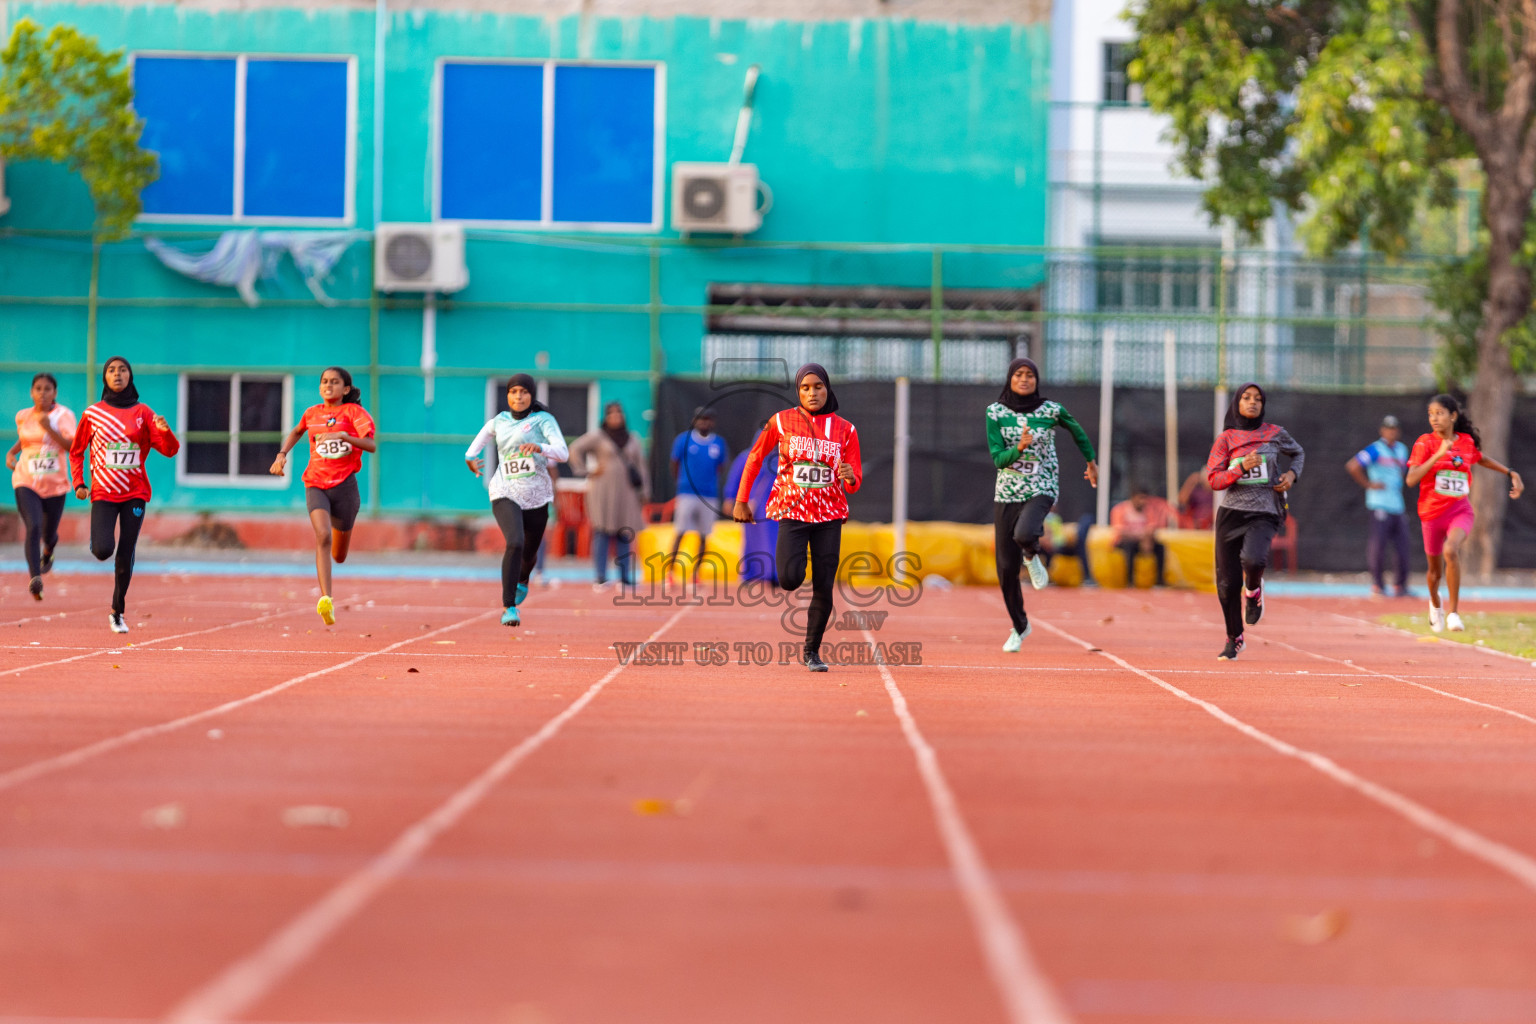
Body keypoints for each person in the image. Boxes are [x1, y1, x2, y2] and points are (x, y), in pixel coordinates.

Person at [733, 363, 862, 672]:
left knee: (824, 585)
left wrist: (850, 476)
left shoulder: (846, 429)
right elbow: (754, 456)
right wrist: (741, 500)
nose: (812, 392)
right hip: (792, 511)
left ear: (827, 389)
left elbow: (854, 480)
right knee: (790, 579)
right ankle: (796, 566)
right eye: (805, 388)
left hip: (829, 515)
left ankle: (812, 652)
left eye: (818, 386)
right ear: (798, 392)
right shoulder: (781, 422)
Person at [985, 357, 1098, 651]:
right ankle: (1019, 626)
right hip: (1007, 491)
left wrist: (1091, 461)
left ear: (1037, 380)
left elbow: (1077, 431)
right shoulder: (995, 413)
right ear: (1010, 379)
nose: (1024, 379)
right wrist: (1018, 449)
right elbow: (998, 459)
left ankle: (1032, 554)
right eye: (1019, 375)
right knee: (1005, 569)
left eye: (1030, 375)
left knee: (1025, 534)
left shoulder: (1051, 410)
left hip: (1042, 485)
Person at [69, 357, 180, 633]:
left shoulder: (143, 412)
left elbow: (170, 450)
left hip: (135, 493)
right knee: (103, 550)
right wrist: (79, 483)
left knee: (125, 553)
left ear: (130, 376)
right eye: (111, 370)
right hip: (104, 493)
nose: (117, 374)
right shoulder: (92, 414)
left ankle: (117, 610)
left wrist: (166, 433)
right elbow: (76, 450)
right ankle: (99, 543)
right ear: (105, 378)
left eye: (122, 370)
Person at [1404, 394, 1523, 633]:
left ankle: (1454, 613)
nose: (1434, 418)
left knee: (1451, 549)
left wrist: (1511, 472)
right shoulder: (1424, 443)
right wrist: (1438, 455)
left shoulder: (1466, 442)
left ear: (1453, 416)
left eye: (1439, 413)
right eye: (1430, 414)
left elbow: (1481, 459)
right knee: (1434, 573)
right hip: (1430, 514)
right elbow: (1411, 479)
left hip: (1459, 510)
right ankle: (1435, 603)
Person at [270, 367, 376, 626]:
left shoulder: (355, 413)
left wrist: (344, 436)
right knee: (322, 536)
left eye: (335, 382)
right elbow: (297, 431)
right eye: (324, 382)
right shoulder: (312, 413)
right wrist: (281, 455)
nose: (328, 386)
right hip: (316, 483)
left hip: (345, 487)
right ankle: (326, 599)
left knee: (339, 555)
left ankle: (334, 568)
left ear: (346, 389)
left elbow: (371, 445)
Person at [1205, 383, 1304, 660]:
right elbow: (1214, 479)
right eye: (1246, 398)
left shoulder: (1274, 433)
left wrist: (1292, 476)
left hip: (1265, 510)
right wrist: (1239, 468)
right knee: (1226, 583)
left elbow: (1298, 453)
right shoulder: (1226, 439)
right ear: (1237, 403)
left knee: (1253, 560)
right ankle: (1234, 638)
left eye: (1258, 399)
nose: (1252, 403)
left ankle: (1254, 590)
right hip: (1231, 513)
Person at [464, 374, 568, 626]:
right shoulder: (498, 421)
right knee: (515, 542)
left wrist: (540, 447)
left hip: (537, 495)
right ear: (507, 395)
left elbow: (563, 453)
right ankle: (508, 607)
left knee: (529, 553)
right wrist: (470, 461)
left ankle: (522, 579)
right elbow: (472, 450)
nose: (518, 397)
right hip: (505, 491)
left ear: (531, 396)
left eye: (523, 392)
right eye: (513, 392)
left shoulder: (543, 421)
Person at [8, 373, 77, 600]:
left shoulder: (64, 416)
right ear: (31, 392)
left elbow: (71, 447)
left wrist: (50, 429)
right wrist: (11, 453)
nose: (42, 393)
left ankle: (48, 551)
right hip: (26, 480)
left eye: (47, 389)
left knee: (49, 534)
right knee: (33, 525)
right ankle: (35, 578)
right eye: (38, 388)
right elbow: (25, 439)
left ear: (55, 393)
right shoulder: (23, 416)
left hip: (55, 485)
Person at [570, 401, 647, 588]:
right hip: (602, 491)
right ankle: (600, 576)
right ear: (606, 417)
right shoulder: (598, 437)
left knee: (625, 533)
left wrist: (645, 491)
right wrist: (586, 470)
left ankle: (625, 577)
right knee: (602, 532)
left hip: (627, 492)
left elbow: (641, 465)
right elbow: (575, 449)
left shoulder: (632, 438)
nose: (615, 418)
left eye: (618, 414)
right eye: (611, 414)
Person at [1347, 414, 1412, 597]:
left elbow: (1403, 473)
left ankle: (1400, 586)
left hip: (1397, 504)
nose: (1391, 432)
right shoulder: (1375, 449)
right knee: (1379, 545)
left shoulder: (1402, 450)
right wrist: (1368, 484)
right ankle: (1378, 585)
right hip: (1379, 504)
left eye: (1394, 428)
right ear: (1382, 430)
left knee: (1403, 544)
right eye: (1388, 428)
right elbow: (1353, 465)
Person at [667, 408, 731, 582]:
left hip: (709, 495)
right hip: (687, 493)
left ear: (713, 422)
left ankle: (696, 573)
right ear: (694, 421)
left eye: (708, 419)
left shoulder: (719, 443)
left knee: (704, 535)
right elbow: (674, 464)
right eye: (701, 419)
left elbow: (721, 467)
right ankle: (671, 573)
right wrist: (682, 483)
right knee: (680, 532)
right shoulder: (684, 440)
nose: (704, 422)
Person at [724, 420, 780, 583]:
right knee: (750, 541)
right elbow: (735, 478)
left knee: (774, 540)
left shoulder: (779, 459)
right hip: (751, 506)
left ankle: (773, 574)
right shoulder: (746, 457)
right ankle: (750, 574)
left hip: (774, 507)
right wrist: (730, 498)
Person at [1109, 483, 1174, 586]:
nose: (1143, 502)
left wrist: (1147, 540)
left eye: (1145, 499)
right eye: (1140, 498)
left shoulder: (1149, 509)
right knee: (1130, 547)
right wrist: (1141, 537)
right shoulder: (1120, 509)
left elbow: (1152, 528)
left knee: (1160, 547)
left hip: (1143, 541)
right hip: (1124, 542)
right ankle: (1130, 581)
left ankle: (1159, 581)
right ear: (1133, 498)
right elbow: (1121, 532)